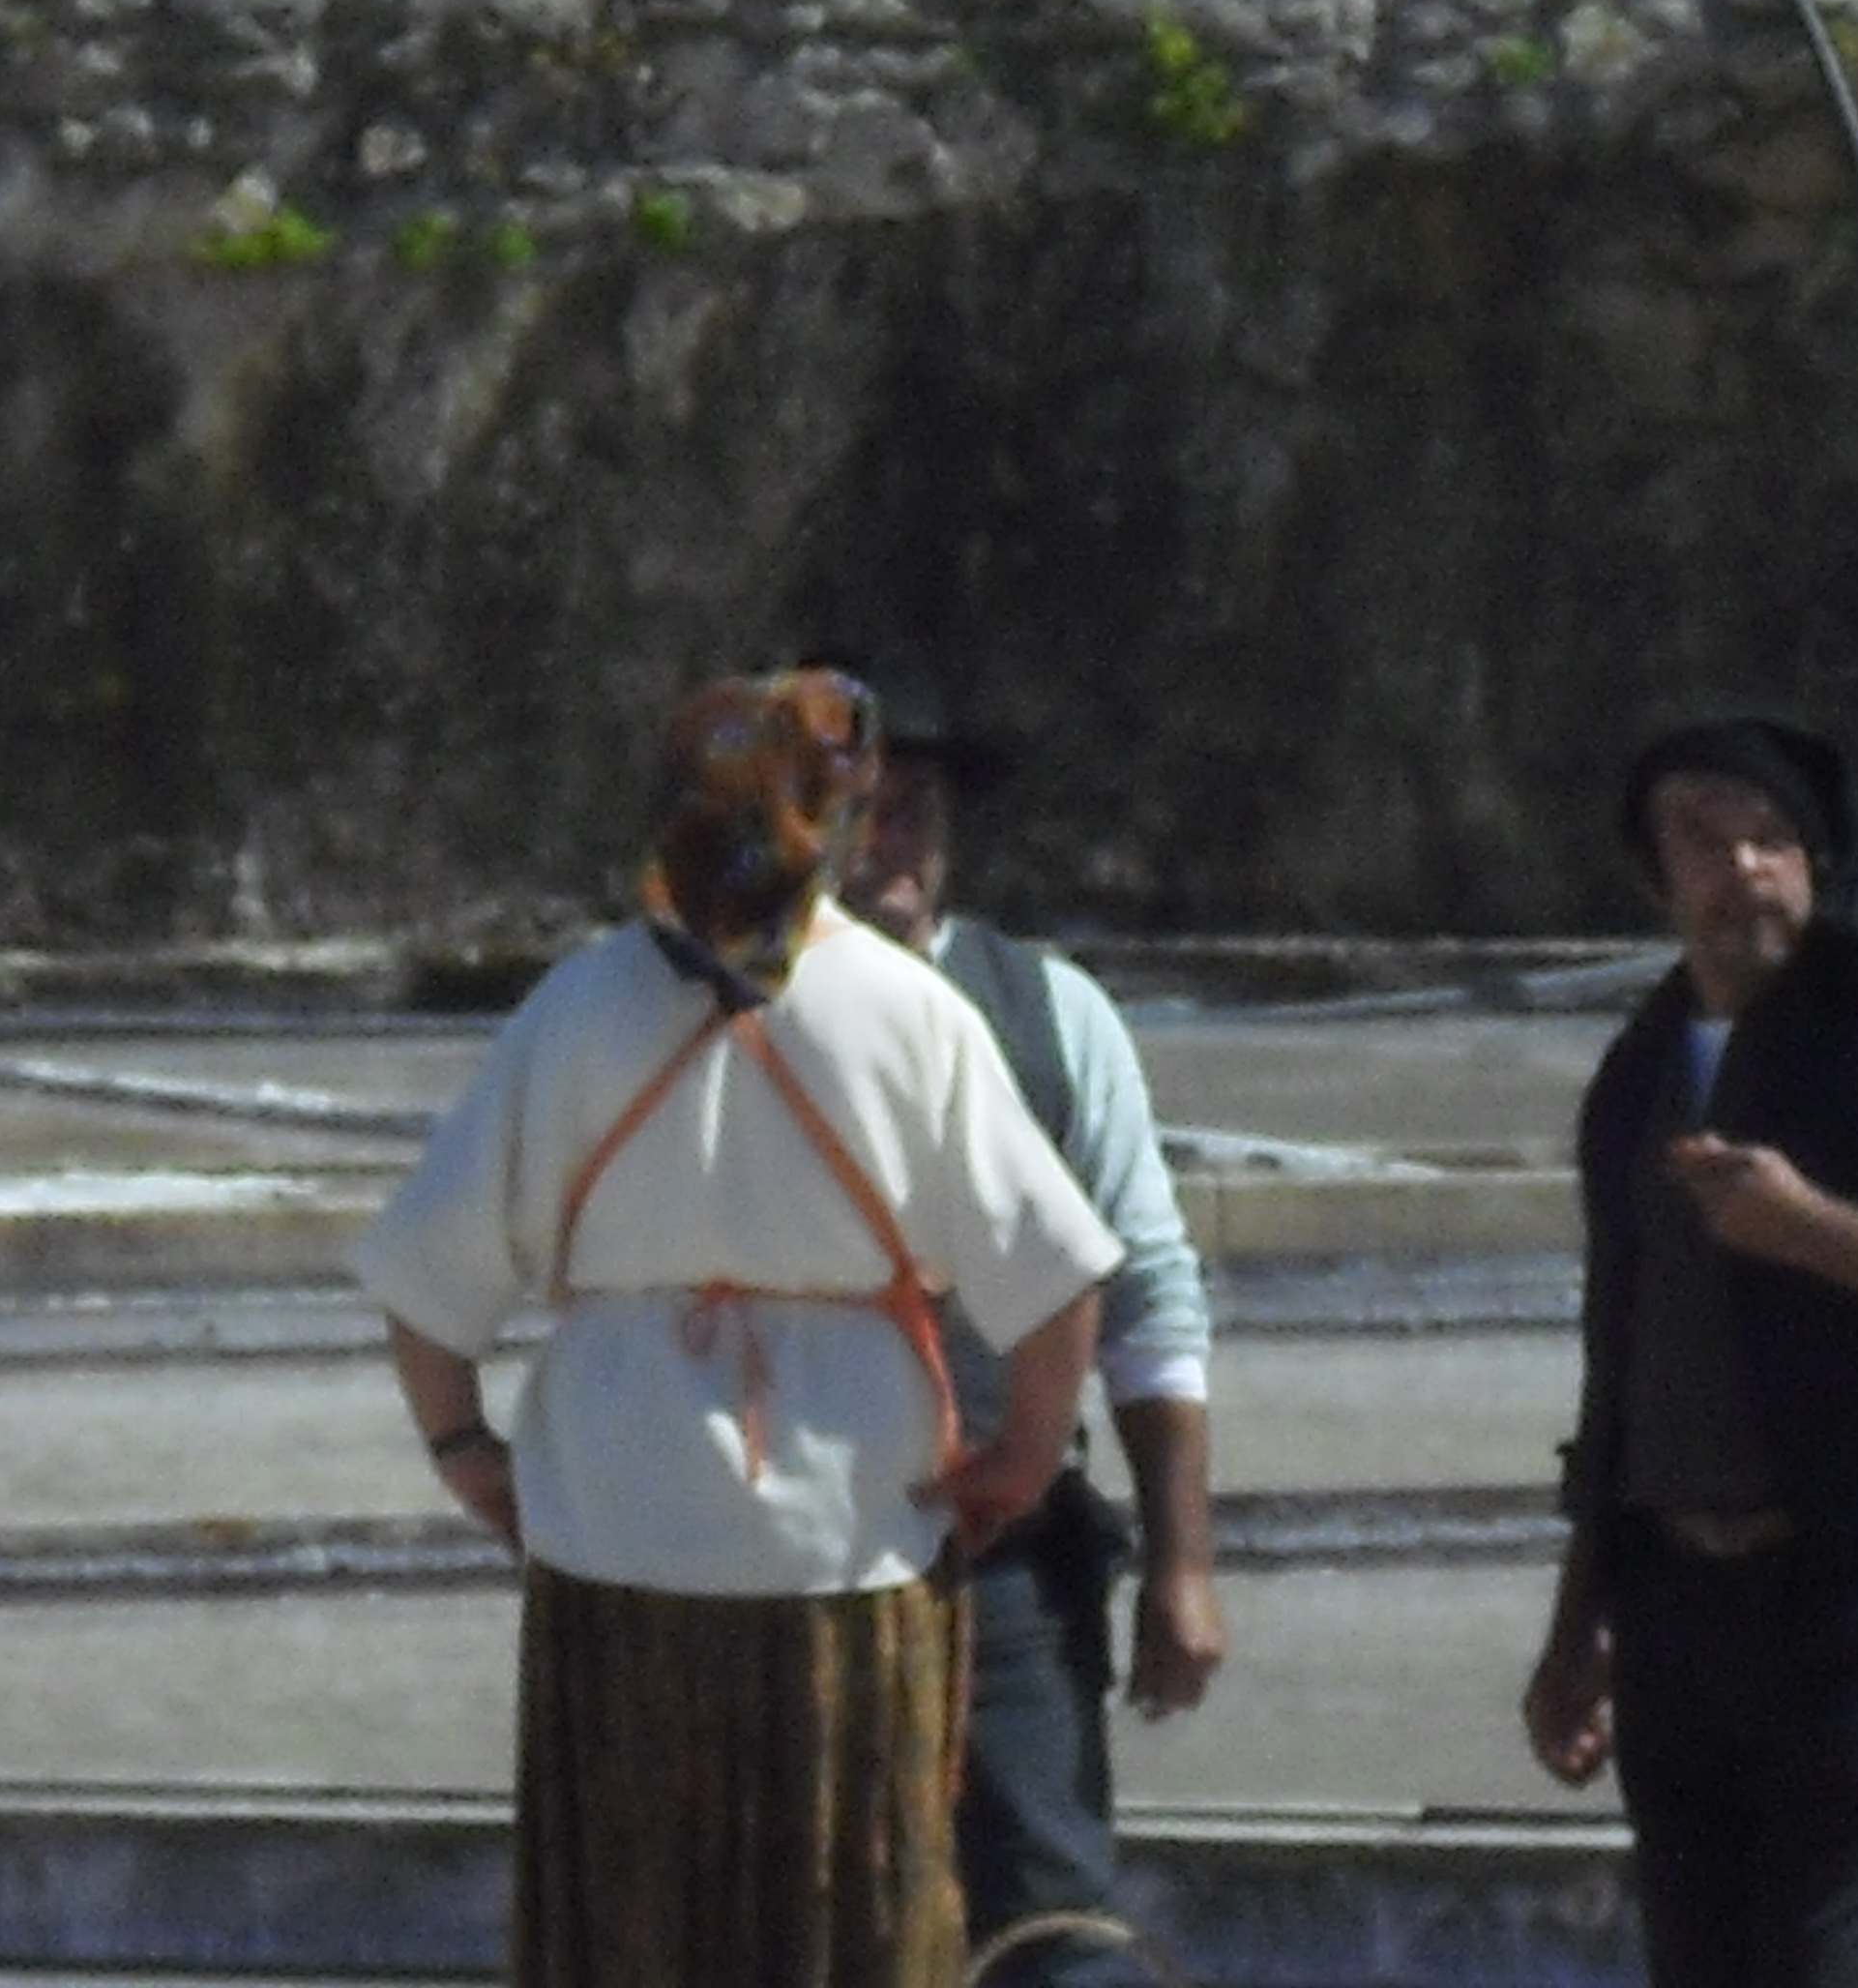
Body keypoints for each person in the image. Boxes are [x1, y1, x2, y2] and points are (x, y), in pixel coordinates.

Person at [355, 667, 1125, 1988]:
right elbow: (1058, 1284)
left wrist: (464, 1452)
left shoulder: (575, 1008)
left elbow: (428, 1283)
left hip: (614, 1553)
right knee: (845, 1921)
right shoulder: (908, 1012)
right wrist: (1022, 1461)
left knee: (634, 1931)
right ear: (835, 812)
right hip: (848, 1557)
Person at [1520, 716, 1858, 1988]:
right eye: (1705, 841)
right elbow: (1619, 1368)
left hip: (1854, 1598)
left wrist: (1808, 1227)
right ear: (1657, 878)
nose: (1745, 870)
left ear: (1817, 862)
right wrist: (1577, 1625)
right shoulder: (1640, 1075)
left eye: (1772, 838)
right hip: (1675, 1613)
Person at [829, 656, 1225, 1988]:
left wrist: (1181, 1563)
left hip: (1001, 1567)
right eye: (857, 809)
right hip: (783, 1570)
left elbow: (1145, 1291)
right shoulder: (724, 1020)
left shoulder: (1051, 1015)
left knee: (1046, 1930)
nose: (890, 840)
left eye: (915, 808)